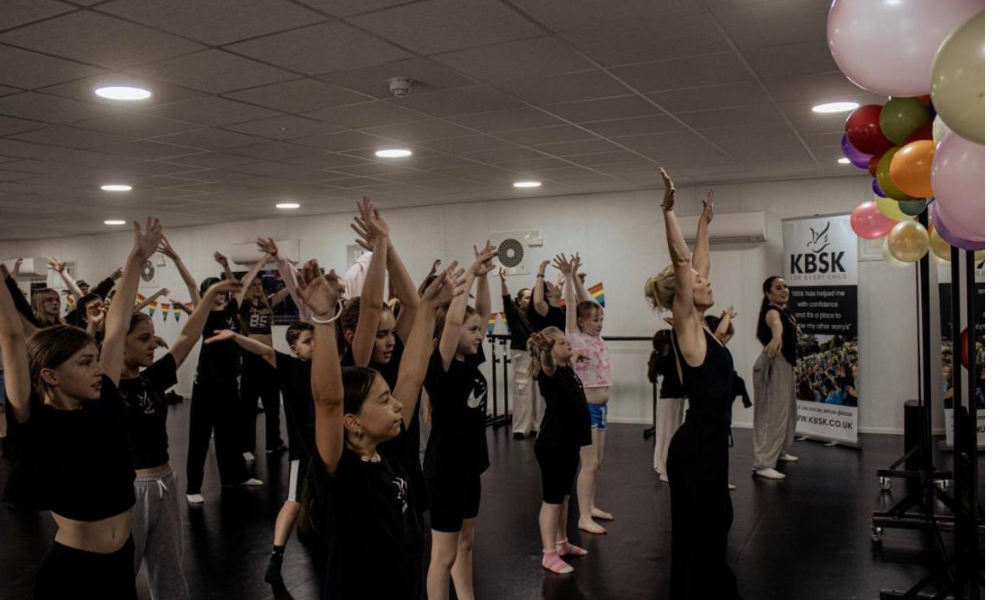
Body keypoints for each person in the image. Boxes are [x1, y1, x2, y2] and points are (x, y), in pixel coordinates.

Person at [0, 218, 162, 600]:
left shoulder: (103, 403)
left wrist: (137, 259)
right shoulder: (33, 420)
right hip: (73, 571)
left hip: (121, 562)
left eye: (95, 360)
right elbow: (11, 335)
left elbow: (116, 329)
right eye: (85, 363)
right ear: (50, 376)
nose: (98, 370)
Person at [300, 257, 461, 600]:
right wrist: (323, 318)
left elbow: (412, 375)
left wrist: (428, 308)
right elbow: (328, 401)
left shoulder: (387, 454)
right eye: (385, 400)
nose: (398, 406)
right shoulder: (342, 472)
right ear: (353, 422)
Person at [645, 169, 742, 600]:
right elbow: (686, 266)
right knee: (700, 532)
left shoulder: (703, 328)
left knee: (717, 524)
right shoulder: (685, 327)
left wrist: (703, 225)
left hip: (710, 443)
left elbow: (698, 264)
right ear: (683, 295)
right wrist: (668, 212)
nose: (706, 280)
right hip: (696, 447)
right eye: (699, 283)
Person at [120, 275, 242, 600]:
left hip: (166, 483)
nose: (154, 343)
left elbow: (189, 335)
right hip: (131, 490)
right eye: (144, 338)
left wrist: (211, 294)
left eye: (152, 337)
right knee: (121, 573)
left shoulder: (151, 379)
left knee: (170, 571)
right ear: (119, 342)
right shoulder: (106, 389)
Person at [204, 321, 317, 586]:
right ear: (294, 348)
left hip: (330, 447)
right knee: (293, 502)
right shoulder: (290, 367)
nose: (314, 345)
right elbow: (263, 350)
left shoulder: (327, 367)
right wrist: (235, 337)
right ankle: (276, 558)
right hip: (304, 448)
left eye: (316, 340)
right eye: (307, 341)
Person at [341, 198, 427, 514]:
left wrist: (389, 247)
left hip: (406, 468)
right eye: (380, 334)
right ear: (353, 337)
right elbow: (371, 307)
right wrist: (379, 246)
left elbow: (413, 304)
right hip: (373, 480)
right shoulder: (357, 366)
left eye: (391, 332)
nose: (390, 341)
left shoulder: (395, 349)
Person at [424, 242, 497, 600]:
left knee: (466, 542)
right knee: (444, 554)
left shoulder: (470, 360)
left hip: (470, 466)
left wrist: (482, 278)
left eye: (479, 330)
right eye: (473, 331)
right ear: (449, 337)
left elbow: (482, 313)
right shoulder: (442, 367)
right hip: (445, 471)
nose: (479, 335)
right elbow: (454, 320)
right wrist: (468, 273)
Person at [185, 263, 262, 505]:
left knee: (231, 434)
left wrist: (262, 261)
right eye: (214, 292)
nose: (220, 296)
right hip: (207, 384)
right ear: (206, 295)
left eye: (221, 292)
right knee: (200, 437)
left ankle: (236, 477)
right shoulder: (203, 315)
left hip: (229, 383)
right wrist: (176, 259)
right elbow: (191, 285)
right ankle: (193, 487)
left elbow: (244, 284)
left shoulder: (231, 310)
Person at [557, 253, 613, 534]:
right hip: (586, 407)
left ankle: (590, 507)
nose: (599, 323)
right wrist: (569, 277)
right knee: (588, 463)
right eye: (594, 320)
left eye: (601, 319)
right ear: (581, 322)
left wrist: (579, 279)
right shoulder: (574, 336)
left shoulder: (597, 338)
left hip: (601, 407)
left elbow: (586, 302)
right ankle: (582, 517)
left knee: (597, 462)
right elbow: (573, 304)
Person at [529, 327, 592, 574]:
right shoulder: (550, 373)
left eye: (568, 342)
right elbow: (548, 364)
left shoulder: (567, 368)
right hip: (552, 446)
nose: (568, 345)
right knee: (552, 501)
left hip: (569, 443)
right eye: (562, 343)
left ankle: (562, 543)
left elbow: (571, 355)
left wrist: (576, 353)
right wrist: (547, 351)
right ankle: (549, 554)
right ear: (550, 350)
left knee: (565, 498)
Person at [235, 242, 293, 458]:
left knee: (272, 404)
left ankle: (273, 443)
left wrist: (294, 278)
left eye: (260, 284)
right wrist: (261, 262)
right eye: (255, 284)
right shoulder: (243, 306)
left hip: (269, 359)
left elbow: (287, 291)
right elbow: (243, 283)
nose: (258, 287)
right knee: (248, 406)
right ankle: (246, 447)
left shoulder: (267, 304)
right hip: (251, 360)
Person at [752, 275, 799, 480]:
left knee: (787, 411)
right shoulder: (772, 311)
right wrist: (777, 336)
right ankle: (763, 463)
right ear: (768, 293)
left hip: (785, 363)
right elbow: (775, 324)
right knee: (772, 412)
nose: (784, 290)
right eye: (778, 288)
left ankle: (778, 451)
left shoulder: (785, 310)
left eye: (785, 286)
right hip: (775, 362)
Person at [500, 267, 542, 439]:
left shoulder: (537, 314)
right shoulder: (515, 313)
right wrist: (503, 282)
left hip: (536, 354)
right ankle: (520, 428)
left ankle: (535, 425)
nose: (529, 299)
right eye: (526, 297)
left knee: (537, 391)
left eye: (531, 297)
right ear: (519, 301)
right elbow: (506, 300)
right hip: (521, 353)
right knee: (522, 391)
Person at [650, 328, 685, 483]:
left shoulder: (669, 357)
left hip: (675, 399)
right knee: (667, 436)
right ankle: (663, 468)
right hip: (669, 401)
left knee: (673, 435)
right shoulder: (665, 358)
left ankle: (668, 466)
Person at [529, 259, 565, 332]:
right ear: (548, 294)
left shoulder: (556, 307)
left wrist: (560, 284)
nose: (556, 286)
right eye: (553, 286)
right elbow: (538, 301)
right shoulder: (546, 310)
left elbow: (554, 298)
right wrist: (541, 271)